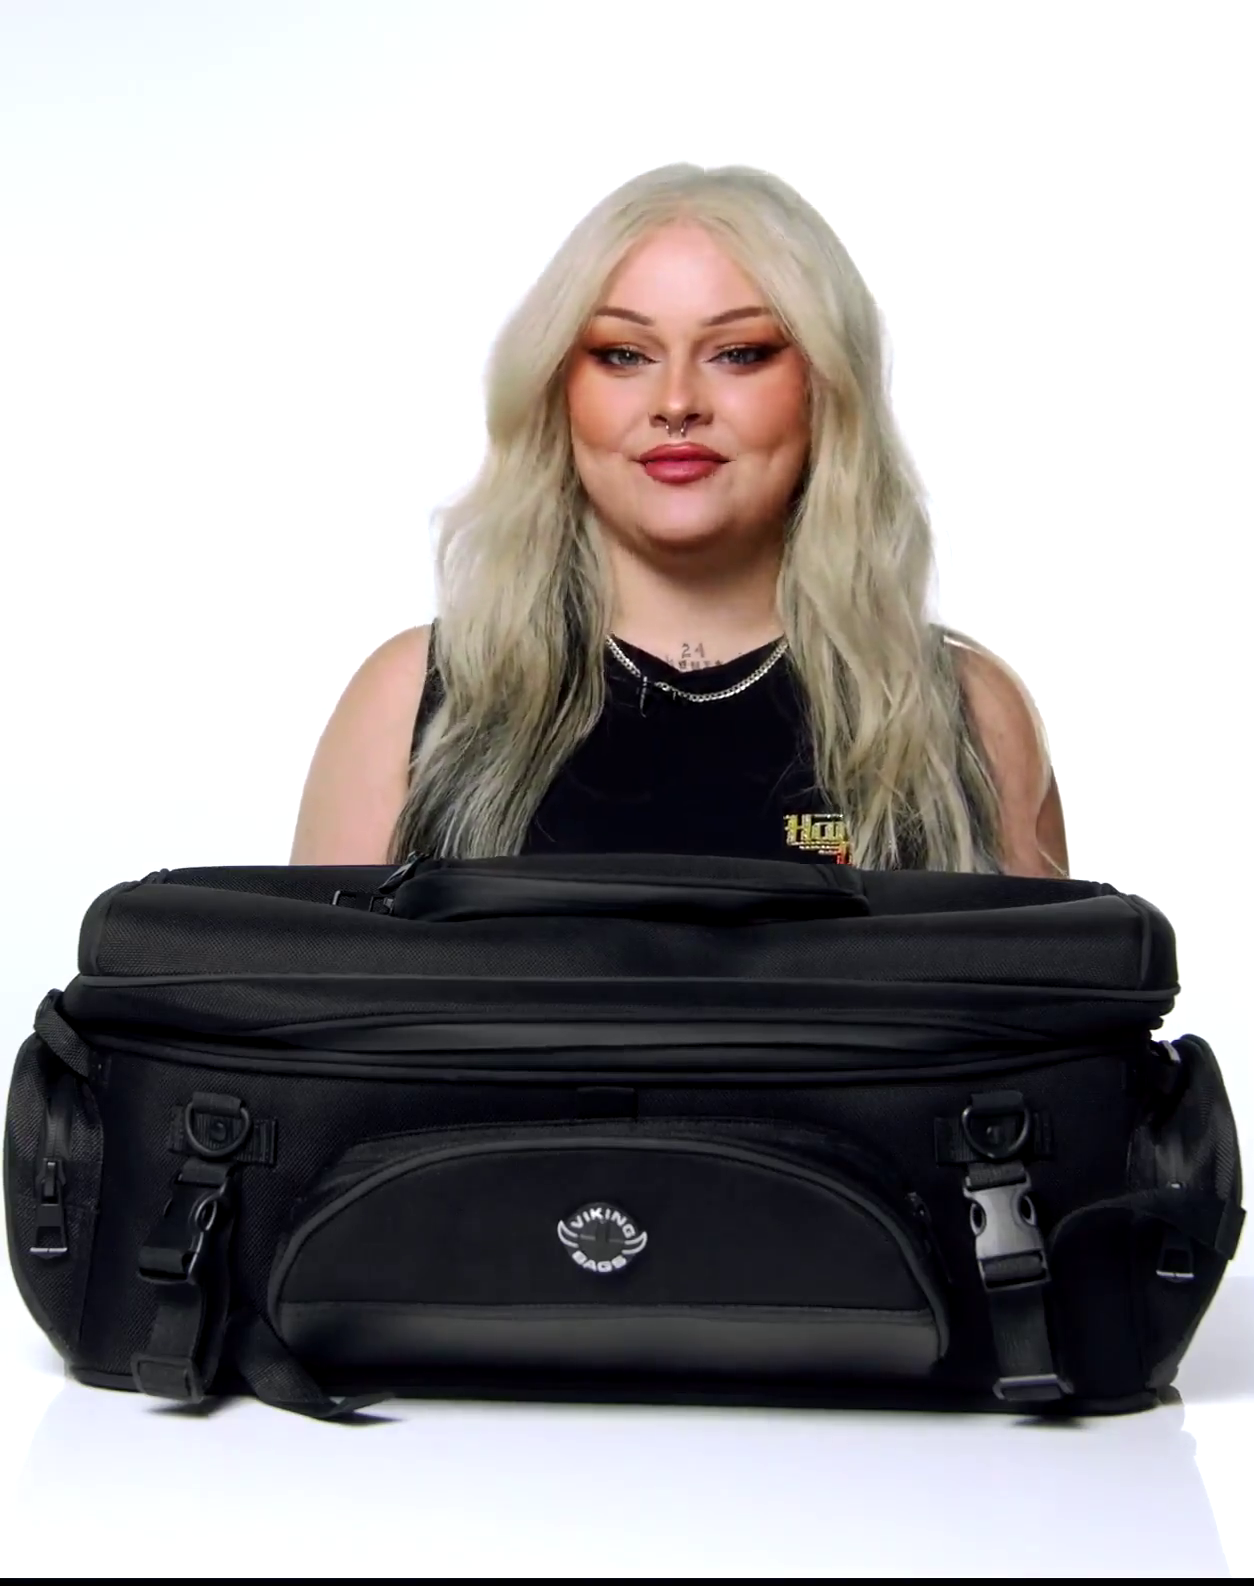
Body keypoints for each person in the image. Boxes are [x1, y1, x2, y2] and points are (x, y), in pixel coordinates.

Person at [290, 163, 1068, 879]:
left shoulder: (967, 715)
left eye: (739, 352)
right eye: (624, 354)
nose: (676, 403)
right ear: (557, 388)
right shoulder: (408, 703)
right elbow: (313, 988)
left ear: (826, 387)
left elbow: (1048, 991)